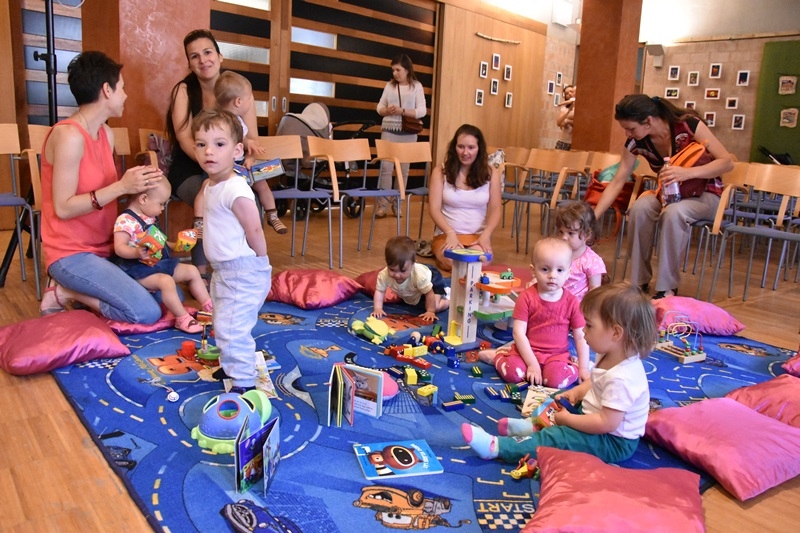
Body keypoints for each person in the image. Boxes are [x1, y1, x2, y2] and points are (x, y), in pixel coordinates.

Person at [462, 282, 657, 465]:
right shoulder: (610, 353)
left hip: (611, 441)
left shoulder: (623, 378)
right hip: (595, 415)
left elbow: (606, 423)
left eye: (589, 326)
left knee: (557, 438)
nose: (583, 331)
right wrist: (577, 392)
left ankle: (497, 447)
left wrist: (568, 420)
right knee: (557, 398)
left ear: (616, 333)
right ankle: (533, 425)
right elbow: (597, 382)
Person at [38, 51, 163, 324]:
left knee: (165, 293)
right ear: (107, 89)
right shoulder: (68, 135)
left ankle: (83, 296)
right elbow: (63, 207)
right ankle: (63, 292)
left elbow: (109, 194)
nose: (125, 95)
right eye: (122, 88)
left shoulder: (106, 133)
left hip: (107, 248)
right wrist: (121, 186)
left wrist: (143, 184)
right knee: (146, 311)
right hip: (71, 253)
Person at [592, 94, 733, 299]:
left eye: (630, 128)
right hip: (669, 195)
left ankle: (667, 287)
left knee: (674, 213)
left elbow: (727, 162)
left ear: (648, 121)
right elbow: (617, 181)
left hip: (706, 195)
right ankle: (638, 281)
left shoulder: (689, 125)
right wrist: (592, 218)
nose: (627, 133)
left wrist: (687, 173)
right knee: (640, 207)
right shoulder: (636, 142)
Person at [165, 29, 282, 276]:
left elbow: (251, 137)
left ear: (219, 56)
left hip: (231, 166)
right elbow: (184, 138)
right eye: (194, 56)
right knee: (210, 199)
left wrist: (245, 157)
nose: (202, 60)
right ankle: (202, 272)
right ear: (189, 63)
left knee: (247, 200)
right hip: (191, 166)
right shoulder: (183, 91)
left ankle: (249, 265)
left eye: (207, 52)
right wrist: (213, 164)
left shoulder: (237, 89)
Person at [192, 109, 272, 393]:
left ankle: (243, 383)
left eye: (219, 144)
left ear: (237, 151)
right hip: (222, 270)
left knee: (232, 328)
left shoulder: (235, 188)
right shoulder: (211, 184)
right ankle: (231, 366)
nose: (208, 151)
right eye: (201, 144)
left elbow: (255, 229)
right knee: (222, 321)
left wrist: (262, 263)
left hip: (242, 270)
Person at [478, 238, 590, 387]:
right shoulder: (526, 297)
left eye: (560, 270)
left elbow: (581, 337)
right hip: (525, 352)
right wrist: (532, 364)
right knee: (514, 374)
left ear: (568, 273)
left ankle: (567, 366)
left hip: (557, 356)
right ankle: (499, 356)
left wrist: (583, 367)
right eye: (545, 269)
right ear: (533, 270)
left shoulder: (572, 302)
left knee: (556, 380)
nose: (552, 275)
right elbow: (518, 333)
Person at [113, 179, 212, 334]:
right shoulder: (125, 220)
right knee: (166, 282)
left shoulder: (149, 217)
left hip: (158, 265)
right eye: (161, 204)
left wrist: (177, 245)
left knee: (192, 271)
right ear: (143, 199)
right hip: (138, 270)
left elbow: (161, 242)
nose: (162, 209)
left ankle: (208, 307)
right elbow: (119, 248)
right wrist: (136, 252)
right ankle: (182, 318)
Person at [213, 71, 286, 234]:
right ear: (238, 101)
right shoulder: (222, 122)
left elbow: (241, 137)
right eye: (249, 98)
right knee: (259, 186)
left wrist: (250, 148)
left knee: (262, 182)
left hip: (241, 163)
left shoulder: (236, 121)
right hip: (228, 167)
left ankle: (272, 214)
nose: (250, 103)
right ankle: (272, 214)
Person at [428, 124, 503, 272]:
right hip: (447, 235)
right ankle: (440, 254)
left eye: (471, 147)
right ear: (454, 147)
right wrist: (450, 233)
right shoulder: (440, 171)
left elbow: (496, 208)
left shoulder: (491, 173)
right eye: (461, 147)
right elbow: (434, 208)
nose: (465, 152)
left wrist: (486, 235)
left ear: (479, 149)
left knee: (480, 262)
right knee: (453, 262)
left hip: (477, 237)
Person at [375, 53, 426, 218]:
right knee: (385, 169)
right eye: (393, 70)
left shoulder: (416, 86)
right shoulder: (389, 86)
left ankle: (398, 205)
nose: (395, 73)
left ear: (407, 69)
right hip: (388, 131)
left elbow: (422, 111)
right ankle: (382, 206)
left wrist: (402, 111)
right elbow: (379, 107)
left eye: (398, 70)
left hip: (408, 133)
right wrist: (387, 111)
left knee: (403, 171)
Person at [371, 236, 449, 323]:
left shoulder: (419, 276)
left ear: (412, 265)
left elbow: (429, 293)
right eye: (392, 270)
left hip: (433, 280)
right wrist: (378, 308)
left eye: (402, 271)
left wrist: (430, 311)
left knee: (435, 307)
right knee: (416, 303)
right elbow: (380, 291)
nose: (397, 275)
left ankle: (448, 300)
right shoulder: (383, 275)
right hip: (417, 290)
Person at [553, 200, 606, 301]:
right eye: (561, 232)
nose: (564, 237)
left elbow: (594, 291)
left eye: (570, 233)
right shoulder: (555, 253)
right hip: (554, 303)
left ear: (587, 235)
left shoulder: (592, 261)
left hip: (577, 307)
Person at [555, 85, 576, 150]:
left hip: (574, 142)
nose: (569, 94)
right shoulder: (564, 109)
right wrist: (569, 110)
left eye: (571, 91)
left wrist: (568, 121)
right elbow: (558, 123)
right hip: (564, 141)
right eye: (566, 93)